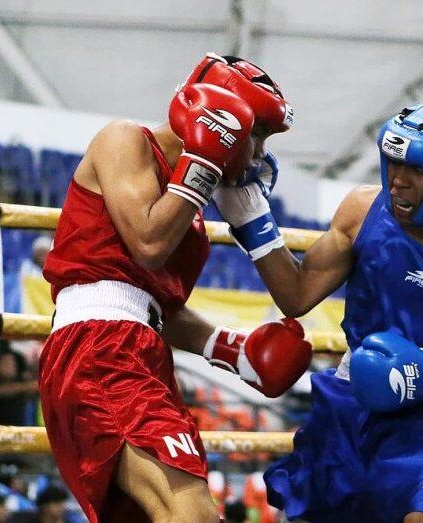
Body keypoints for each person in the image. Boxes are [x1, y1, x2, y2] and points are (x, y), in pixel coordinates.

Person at [213, 102, 423, 522]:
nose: (397, 181)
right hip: (350, 402)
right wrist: (251, 216)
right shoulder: (363, 210)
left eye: (415, 169)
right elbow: (296, 295)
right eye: (392, 162)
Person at [38, 52, 310, 523]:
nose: (260, 155)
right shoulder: (124, 141)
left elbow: (154, 305)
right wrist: (202, 164)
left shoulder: (190, 203)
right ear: (223, 117)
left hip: (139, 351)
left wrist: (234, 353)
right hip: (100, 352)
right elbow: (147, 244)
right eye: (258, 135)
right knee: (192, 515)